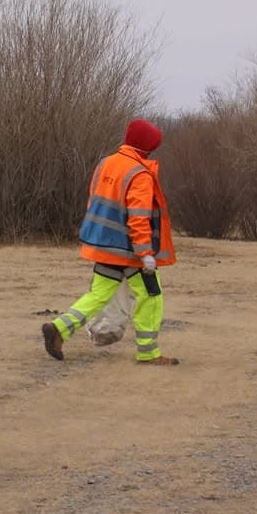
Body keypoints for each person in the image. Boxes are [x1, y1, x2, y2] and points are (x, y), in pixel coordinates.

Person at [42, 119, 179, 366]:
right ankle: (148, 353)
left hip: (104, 245)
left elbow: (95, 199)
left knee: (98, 295)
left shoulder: (106, 163)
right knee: (151, 296)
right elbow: (139, 217)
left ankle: (59, 329)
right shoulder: (140, 174)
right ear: (146, 147)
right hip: (129, 251)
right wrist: (145, 253)